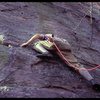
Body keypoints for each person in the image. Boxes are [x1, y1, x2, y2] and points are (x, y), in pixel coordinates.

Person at [20, 33, 100, 91]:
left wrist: (26, 43)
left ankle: (45, 52)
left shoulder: (49, 37)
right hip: (66, 45)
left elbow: (37, 35)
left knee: (36, 43)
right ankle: (93, 82)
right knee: (76, 65)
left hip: (56, 43)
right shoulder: (61, 39)